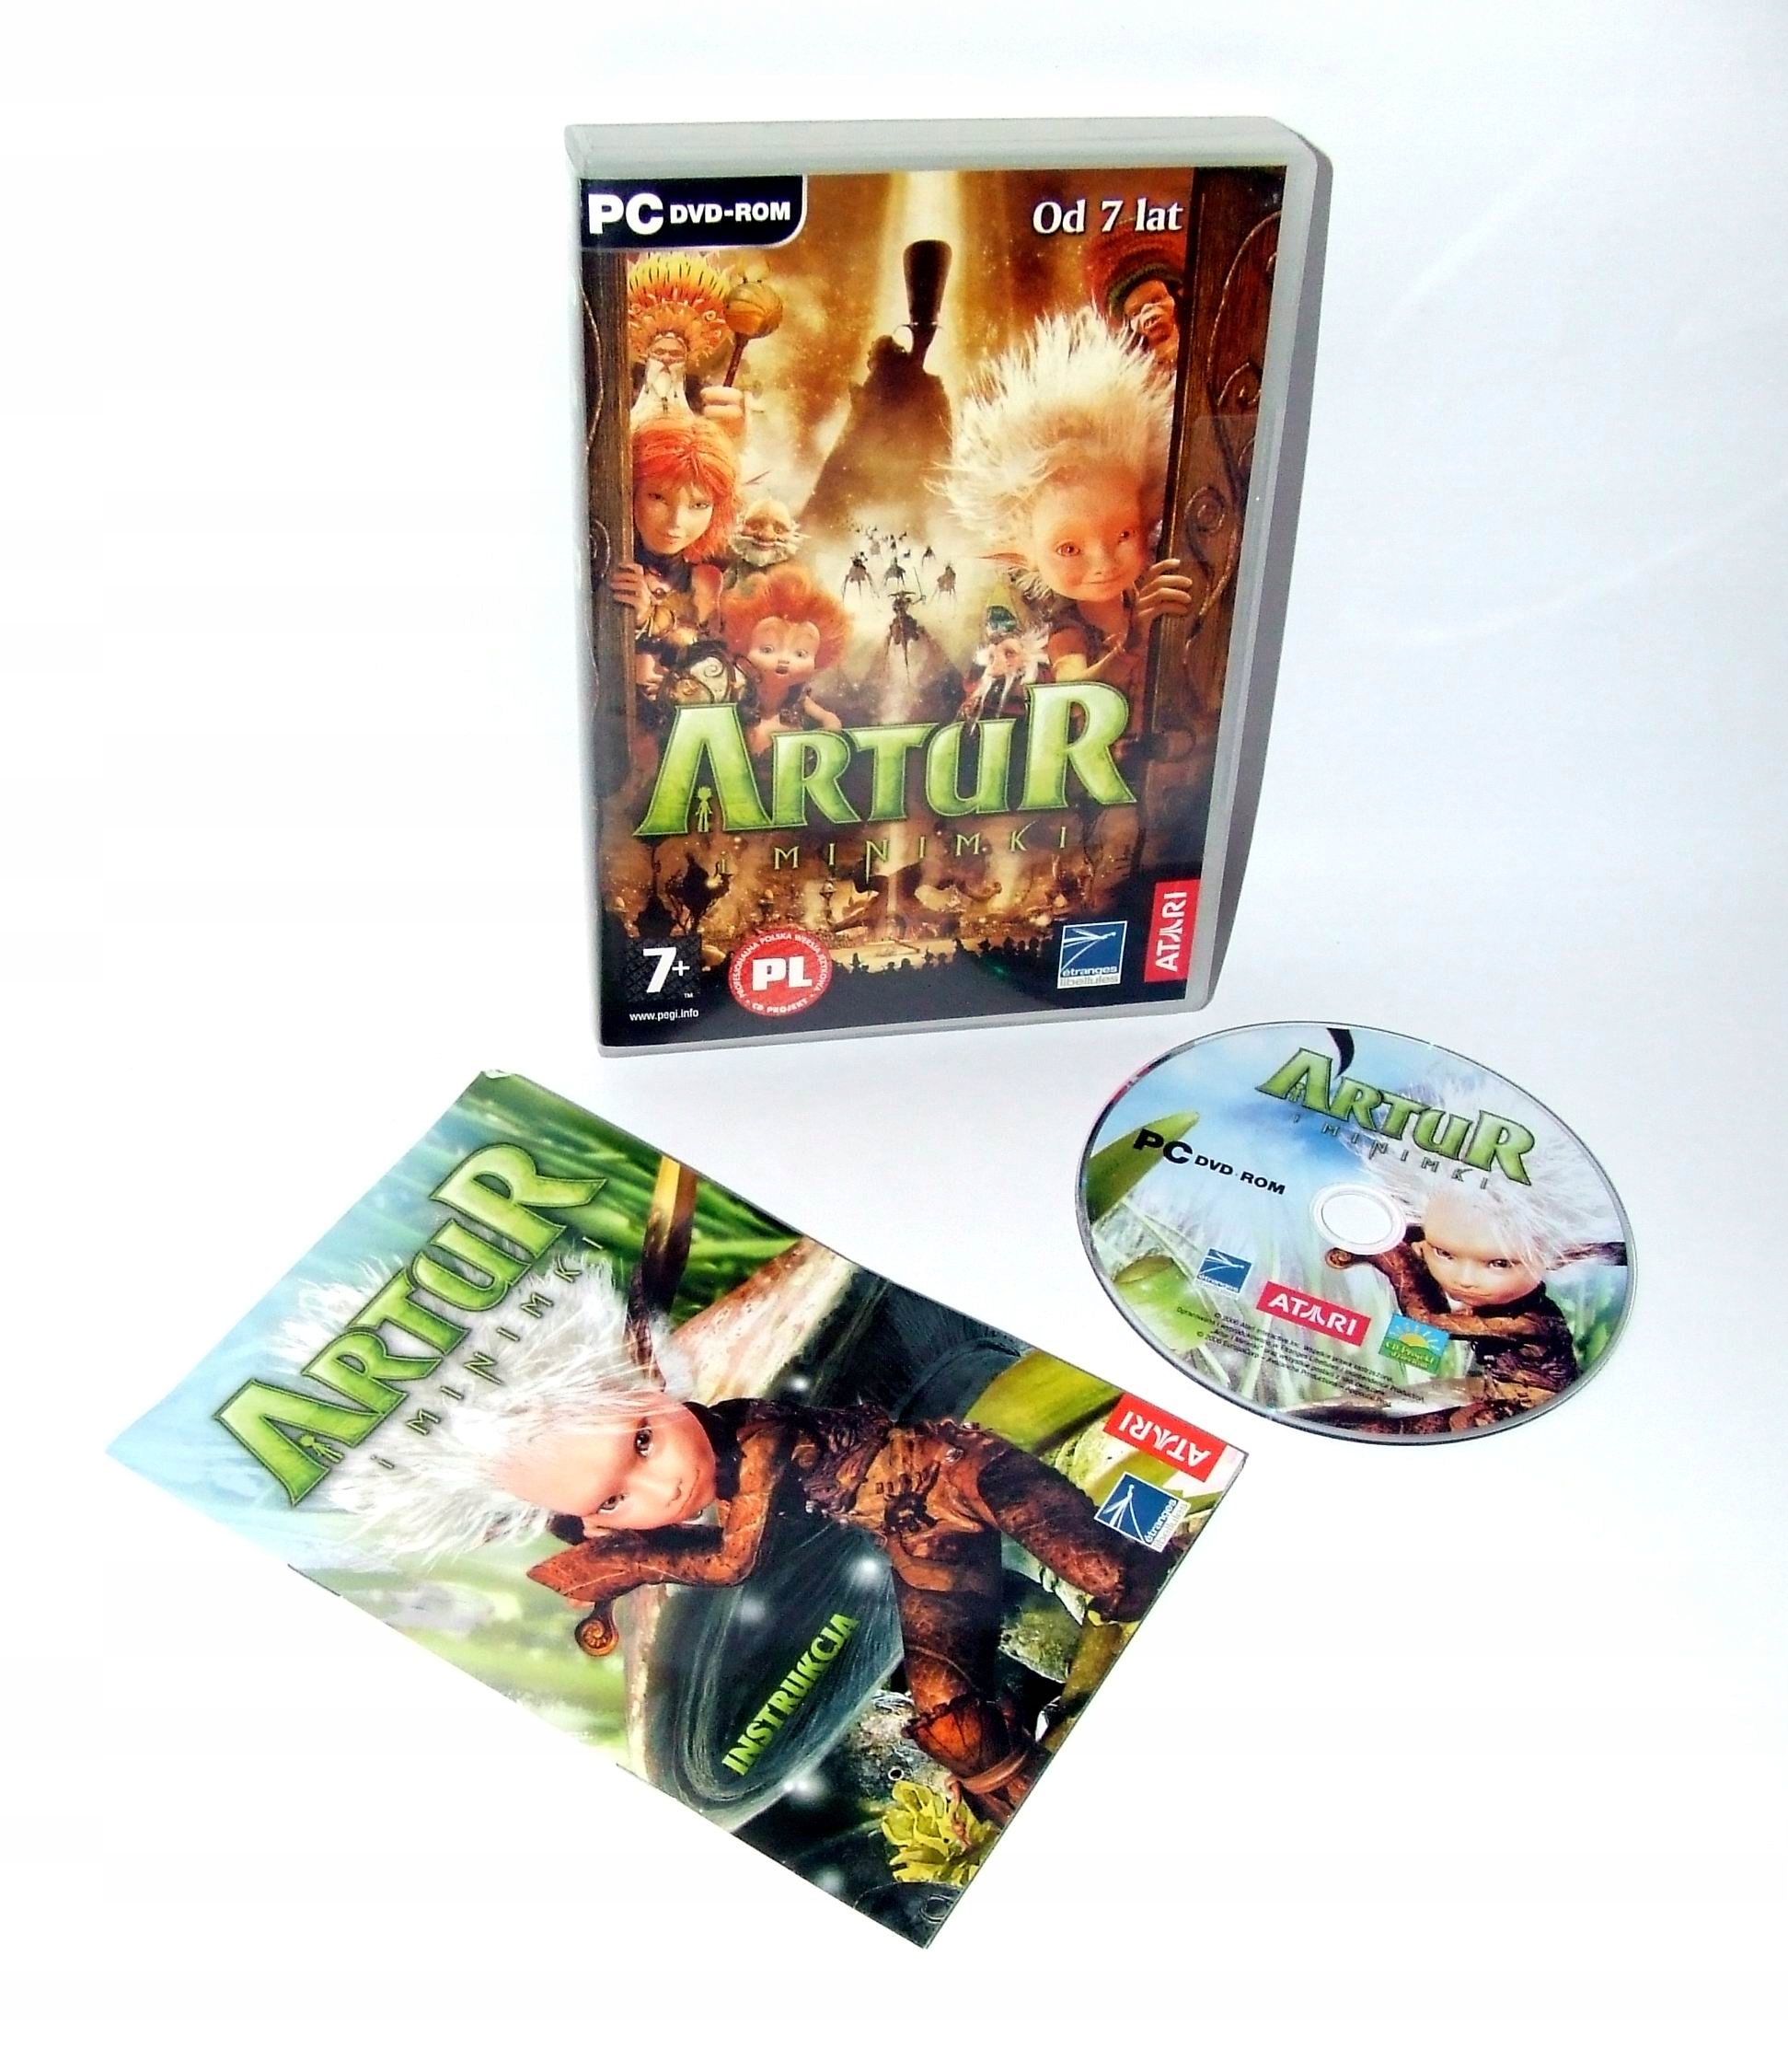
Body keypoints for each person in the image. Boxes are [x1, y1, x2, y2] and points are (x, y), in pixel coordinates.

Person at [329, 1259, 1173, 1823]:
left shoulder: (757, 1437)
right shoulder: (662, 1499)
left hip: (955, 1471)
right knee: (957, 1731)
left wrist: (631, 1558)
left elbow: (736, 1557)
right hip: (913, 1536)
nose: (663, 1488)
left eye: (644, 1441)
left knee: (1116, 1578)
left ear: (650, 1379)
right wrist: (611, 1567)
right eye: (617, 1498)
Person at [941, 310, 1197, 725]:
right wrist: (1133, 643)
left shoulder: (1163, 571)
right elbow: (1075, 700)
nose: (1104, 564)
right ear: (1023, 553)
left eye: (1124, 534)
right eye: (1069, 549)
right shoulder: (1068, 629)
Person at [718, 562, 851, 754]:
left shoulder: (800, 698)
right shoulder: (741, 690)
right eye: (767, 649)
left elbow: (829, 719)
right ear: (743, 652)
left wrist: (828, 729)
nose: (784, 660)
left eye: (800, 654)